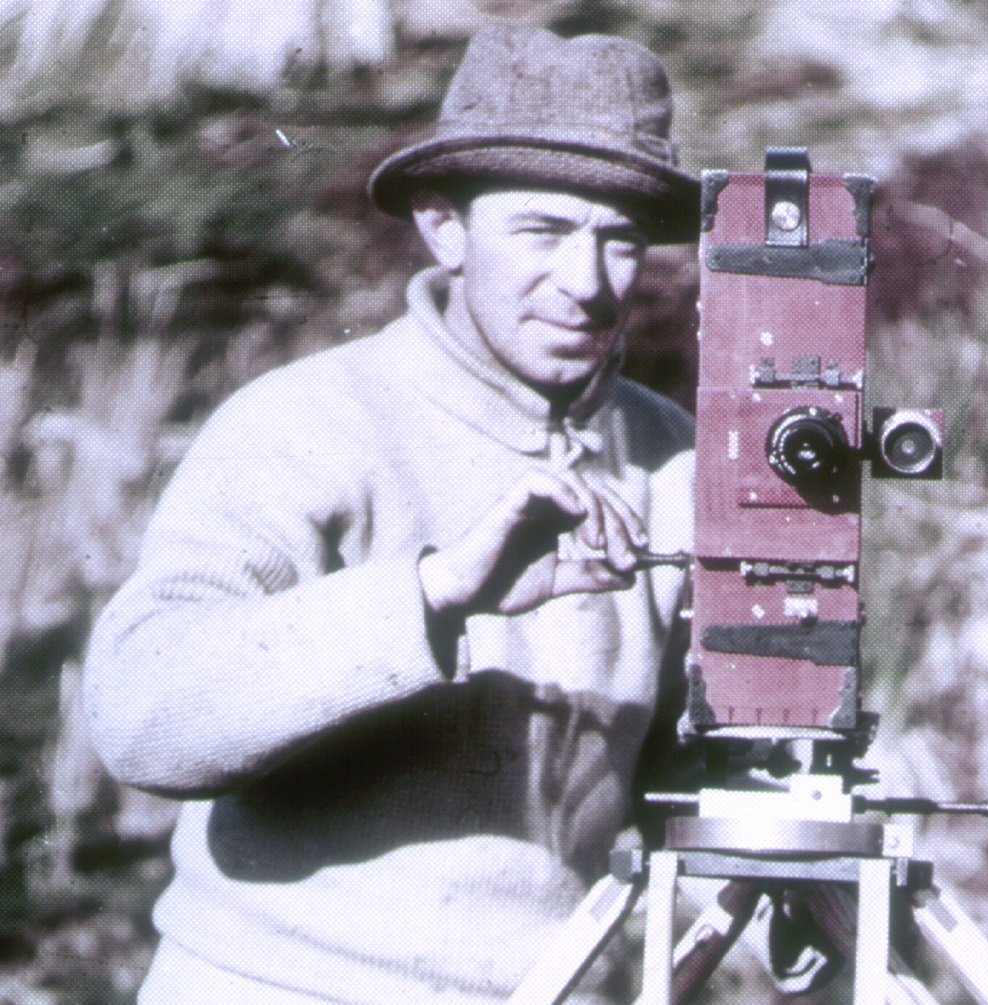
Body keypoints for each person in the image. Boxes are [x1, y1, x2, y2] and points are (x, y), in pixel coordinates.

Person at [84, 22, 699, 1005]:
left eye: (618, 241)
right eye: (542, 231)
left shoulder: (673, 456)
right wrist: (430, 596)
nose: (585, 285)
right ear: (443, 228)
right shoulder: (305, 422)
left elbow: (687, 777)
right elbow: (139, 716)